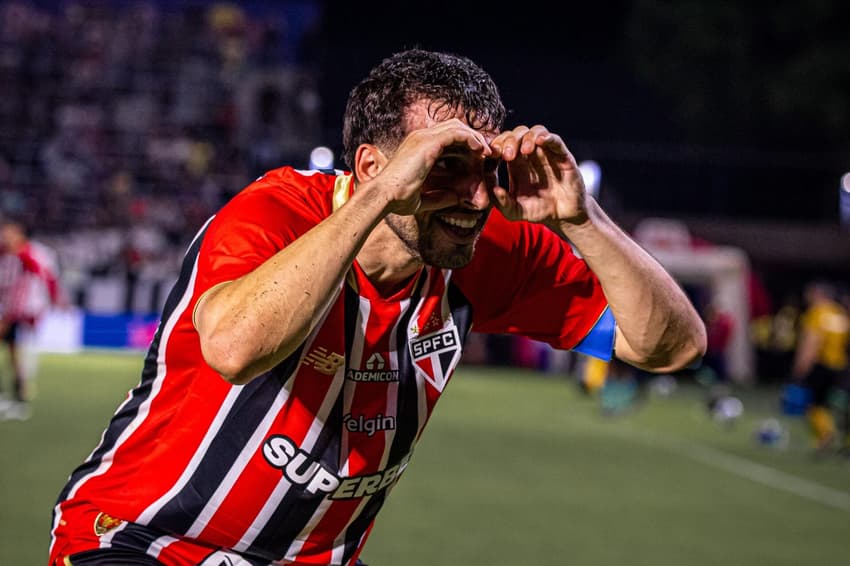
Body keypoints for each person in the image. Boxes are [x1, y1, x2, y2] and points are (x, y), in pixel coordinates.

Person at [49, 49, 706, 566]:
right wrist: (387, 193)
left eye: (484, 168)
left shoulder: (487, 250)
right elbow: (233, 347)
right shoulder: (277, 211)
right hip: (141, 542)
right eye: (444, 167)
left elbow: (670, 345)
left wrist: (581, 219)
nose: (476, 199)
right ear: (370, 167)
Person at [0, 218, 66, 421]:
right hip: (10, 311)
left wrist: (55, 299)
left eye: (9, 231)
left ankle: (20, 397)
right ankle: (14, 396)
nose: (5, 235)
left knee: (21, 354)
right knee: (14, 353)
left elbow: (46, 278)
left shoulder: (28, 255)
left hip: (22, 312)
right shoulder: (7, 254)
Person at [791, 279, 850, 452]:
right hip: (840, 365)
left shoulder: (816, 313)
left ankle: (825, 434)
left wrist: (801, 365)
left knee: (815, 404)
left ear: (817, 293)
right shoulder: (840, 313)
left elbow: (812, 340)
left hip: (821, 365)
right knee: (840, 403)